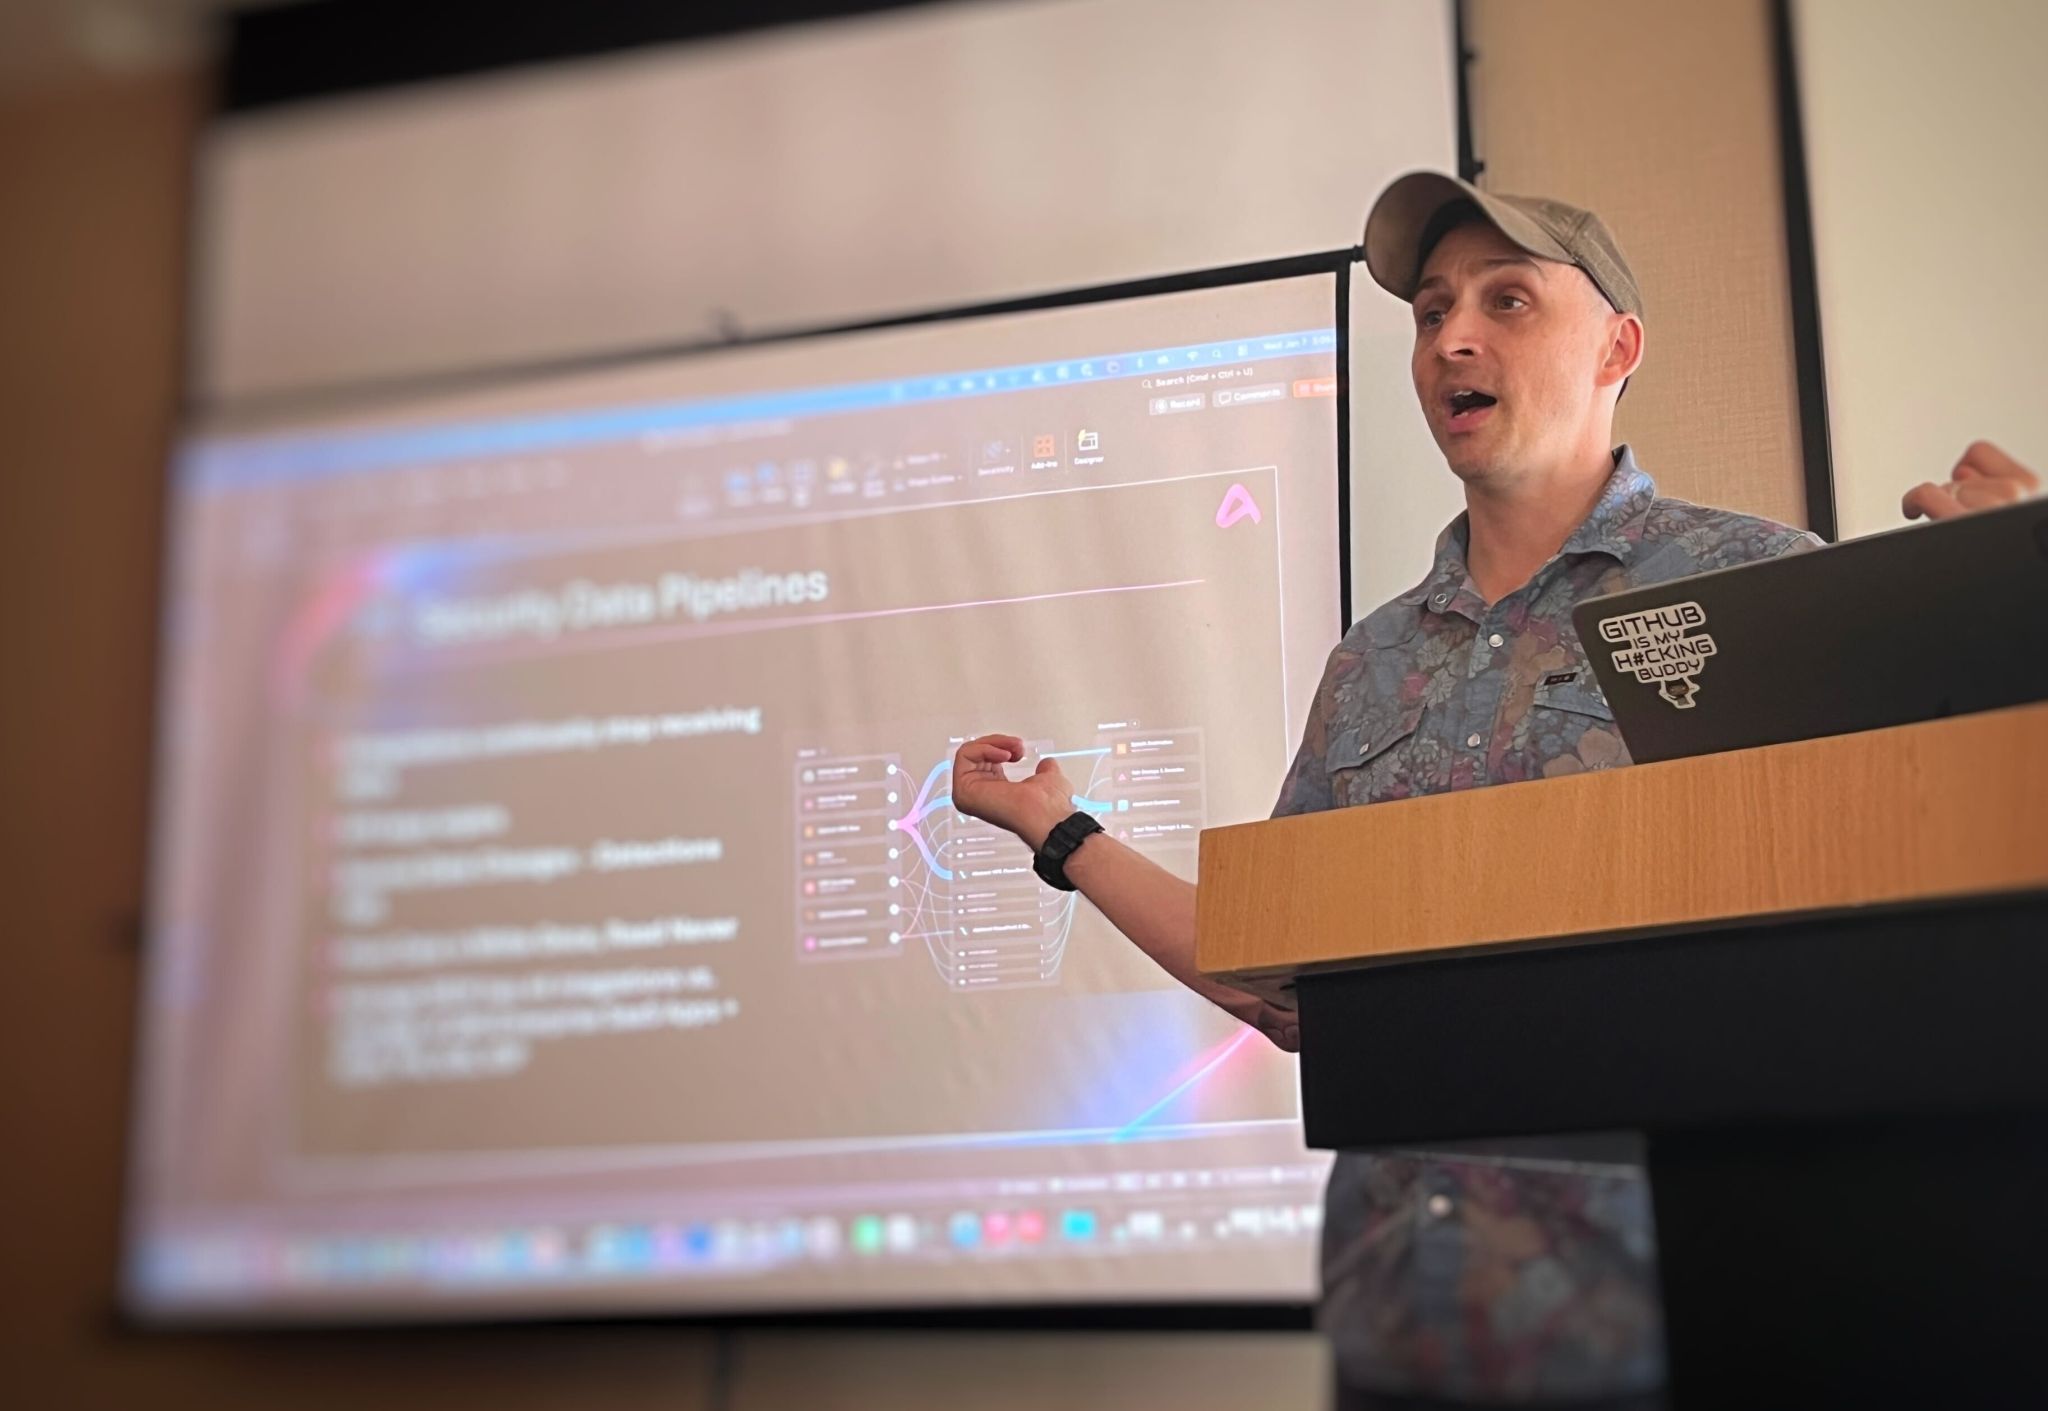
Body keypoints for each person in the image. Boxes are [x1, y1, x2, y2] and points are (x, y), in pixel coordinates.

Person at [950, 171, 2039, 1406]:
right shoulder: (1370, 661)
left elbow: (1928, 892)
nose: (1451, 339)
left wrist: (2012, 595)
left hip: (1672, 1321)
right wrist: (1059, 828)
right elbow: (1274, 976)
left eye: (1506, 301)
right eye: (1428, 312)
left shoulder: (1757, 584)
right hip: (1402, 1319)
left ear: (1616, 347)